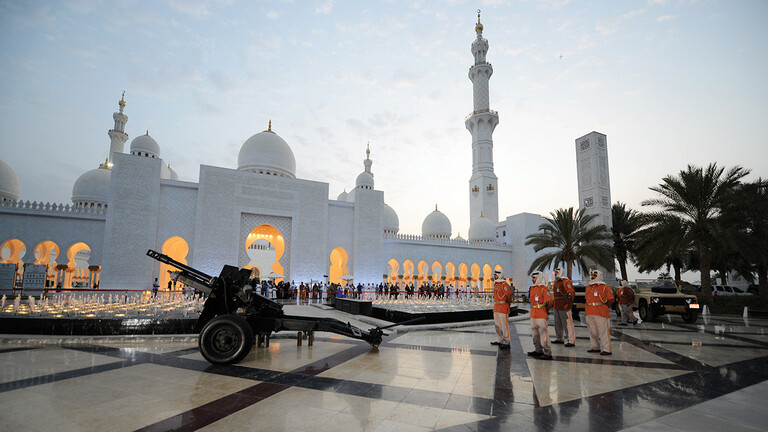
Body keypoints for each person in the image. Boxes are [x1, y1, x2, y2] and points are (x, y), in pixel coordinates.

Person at [585, 269, 615, 355]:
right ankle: (595, 347)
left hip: (600, 311)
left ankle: (606, 349)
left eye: (595, 275)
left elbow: (611, 299)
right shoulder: (588, 287)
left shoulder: (605, 287)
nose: (592, 276)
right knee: (592, 331)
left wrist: (604, 306)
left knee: (603, 331)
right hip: (589, 311)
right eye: (592, 275)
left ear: (599, 276)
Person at [527, 271, 553, 360]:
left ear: (538, 278)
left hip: (541, 313)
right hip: (533, 313)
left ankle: (547, 352)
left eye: (534, 278)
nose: (532, 279)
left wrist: (546, 310)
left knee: (543, 333)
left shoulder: (544, 288)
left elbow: (550, 301)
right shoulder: (532, 288)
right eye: (532, 278)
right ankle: (538, 350)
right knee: (535, 333)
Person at [551, 268, 576, 347]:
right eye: (555, 272)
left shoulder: (566, 281)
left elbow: (572, 293)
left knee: (567, 324)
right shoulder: (556, 282)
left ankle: (571, 340)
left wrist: (569, 303)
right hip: (557, 305)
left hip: (564, 305)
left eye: (557, 272)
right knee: (557, 323)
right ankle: (559, 338)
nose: (555, 273)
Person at [491, 269, 513, 349]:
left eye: (496, 275)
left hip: (503, 306)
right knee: (497, 325)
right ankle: (499, 340)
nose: (494, 276)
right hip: (496, 307)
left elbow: (508, 296)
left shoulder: (504, 284)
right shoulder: (496, 284)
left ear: (499, 275)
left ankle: (506, 341)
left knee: (504, 325)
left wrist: (507, 304)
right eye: (494, 275)